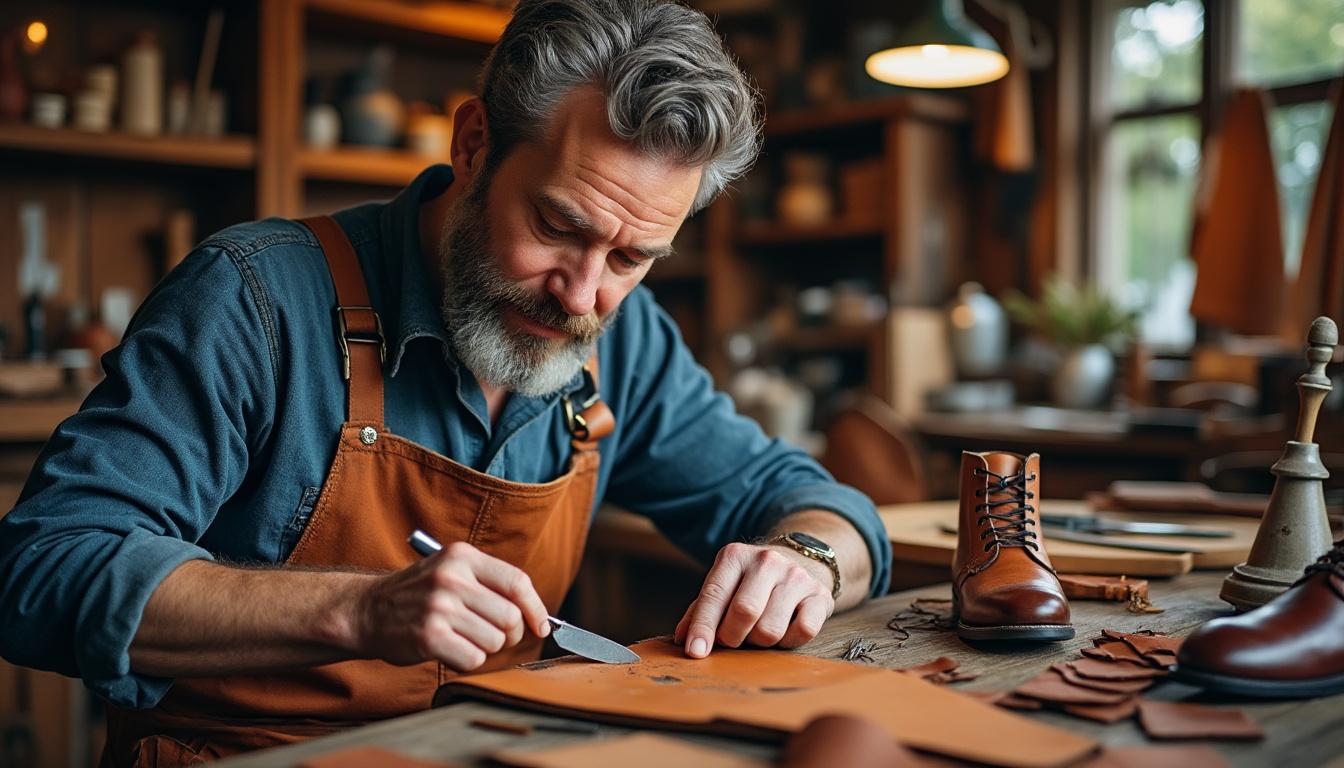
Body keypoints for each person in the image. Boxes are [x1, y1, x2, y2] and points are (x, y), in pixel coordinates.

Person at [0, 0, 892, 763]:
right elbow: (43, 569)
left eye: (631, 256)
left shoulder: (621, 342)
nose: (584, 294)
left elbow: (814, 503)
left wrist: (806, 559)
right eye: (557, 225)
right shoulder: (256, 300)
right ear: (473, 145)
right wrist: (359, 609)